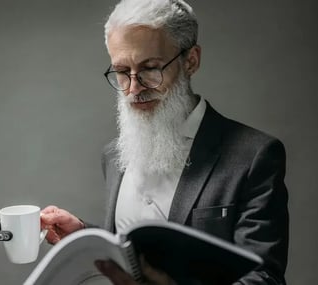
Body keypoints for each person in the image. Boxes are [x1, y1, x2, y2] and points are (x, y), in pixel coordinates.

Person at [40, 0, 289, 284]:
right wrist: (83, 234)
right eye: (122, 72)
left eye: (150, 68)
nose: (134, 89)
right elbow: (138, 248)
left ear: (191, 61)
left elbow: (264, 278)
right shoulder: (113, 155)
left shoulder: (254, 155)